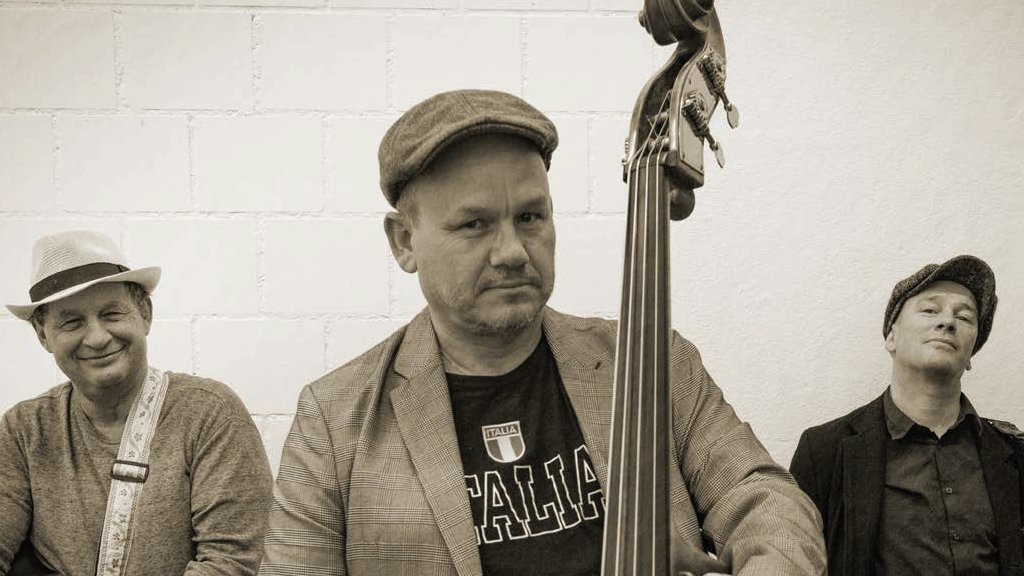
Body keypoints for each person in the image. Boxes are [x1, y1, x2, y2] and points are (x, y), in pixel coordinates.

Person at [260, 88, 825, 576]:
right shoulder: (333, 421)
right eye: (474, 224)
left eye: (530, 217)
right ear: (404, 242)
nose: (511, 251)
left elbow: (764, 498)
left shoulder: (653, 361)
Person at [0, 230, 274, 576]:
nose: (97, 338)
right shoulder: (24, 430)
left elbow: (231, 564)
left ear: (144, 313)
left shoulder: (210, 414)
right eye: (72, 322)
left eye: (112, 314)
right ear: (44, 336)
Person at [790, 255, 1024, 576]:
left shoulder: (1015, 453)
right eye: (930, 310)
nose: (948, 322)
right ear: (892, 337)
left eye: (965, 317)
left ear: (971, 354)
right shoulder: (824, 451)